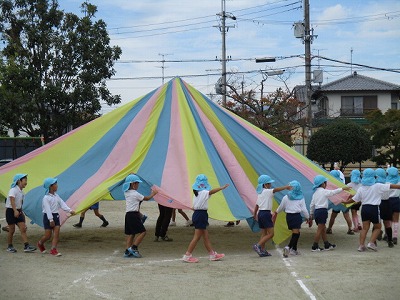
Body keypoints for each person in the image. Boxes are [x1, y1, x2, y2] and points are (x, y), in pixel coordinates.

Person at [342, 168, 400, 252]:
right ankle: (371, 242)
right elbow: (393, 186)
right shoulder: (377, 186)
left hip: (364, 208)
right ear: (374, 177)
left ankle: (361, 245)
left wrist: (346, 202)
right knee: (378, 227)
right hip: (374, 208)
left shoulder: (361, 188)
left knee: (365, 228)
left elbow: (355, 199)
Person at [182, 174, 228, 263]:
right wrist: (221, 188)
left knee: (206, 236)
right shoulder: (203, 193)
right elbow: (211, 192)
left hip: (199, 214)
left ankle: (212, 254)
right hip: (201, 215)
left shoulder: (196, 194)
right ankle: (187, 255)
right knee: (196, 237)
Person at [252, 175, 292, 257]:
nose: (271, 185)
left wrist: (254, 214)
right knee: (271, 234)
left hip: (260, 213)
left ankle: (262, 250)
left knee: (264, 233)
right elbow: (276, 190)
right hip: (266, 214)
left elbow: (257, 205)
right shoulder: (267, 191)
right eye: (269, 183)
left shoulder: (260, 193)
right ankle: (258, 245)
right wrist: (286, 187)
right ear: (265, 184)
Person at [309, 174, 351, 251]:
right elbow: (333, 192)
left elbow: (312, 205)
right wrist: (342, 188)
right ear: (322, 184)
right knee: (320, 229)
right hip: (322, 211)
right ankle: (315, 246)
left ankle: (326, 244)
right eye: (325, 182)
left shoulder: (315, 193)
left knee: (323, 229)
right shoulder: (324, 192)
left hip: (317, 211)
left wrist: (311, 214)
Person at [37, 178, 75, 256]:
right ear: (51, 186)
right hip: (48, 217)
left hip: (56, 216)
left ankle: (53, 249)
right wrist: (51, 220)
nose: (57, 186)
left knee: (56, 234)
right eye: (55, 184)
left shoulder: (56, 196)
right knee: (48, 235)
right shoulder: (46, 198)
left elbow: (62, 204)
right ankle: (40, 243)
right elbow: (47, 210)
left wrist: (70, 210)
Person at [123, 174, 157, 258]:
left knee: (131, 233)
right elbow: (147, 198)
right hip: (134, 215)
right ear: (133, 184)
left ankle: (127, 251)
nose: (138, 185)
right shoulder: (135, 193)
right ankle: (134, 247)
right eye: (137, 183)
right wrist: (153, 193)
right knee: (143, 232)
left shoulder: (126, 192)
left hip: (128, 215)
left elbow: (138, 201)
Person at [273, 180, 310, 257]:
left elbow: (281, 207)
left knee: (296, 232)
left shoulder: (286, 197)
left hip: (289, 217)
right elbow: (304, 209)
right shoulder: (301, 198)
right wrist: (308, 217)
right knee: (296, 233)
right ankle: (289, 247)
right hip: (296, 216)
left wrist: (276, 212)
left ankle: (294, 249)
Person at [5, 174, 36, 253]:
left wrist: (21, 212)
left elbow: (21, 203)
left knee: (23, 228)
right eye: (25, 180)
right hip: (10, 211)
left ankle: (26, 246)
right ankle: (9, 246)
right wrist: (15, 210)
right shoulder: (13, 190)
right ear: (19, 181)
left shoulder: (22, 192)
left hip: (18, 210)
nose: (26, 182)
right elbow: (12, 200)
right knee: (12, 230)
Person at [326, 170, 354, 235]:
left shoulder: (330, 183)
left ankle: (329, 228)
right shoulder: (341, 182)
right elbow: (346, 191)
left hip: (336, 202)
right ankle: (350, 229)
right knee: (347, 215)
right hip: (344, 201)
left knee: (333, 216)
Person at [375, 168, 393, 247]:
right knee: (387, 223)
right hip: (386, 203)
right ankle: (390, 240)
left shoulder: (374, 185)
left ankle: (374, 240)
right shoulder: (388, 183)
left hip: (376, 203)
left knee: (376, 223)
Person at [387, 167, 400, 245]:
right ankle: (395, 236)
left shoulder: (386, 182)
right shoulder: (399, 181)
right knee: (396, 219)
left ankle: (388, 234)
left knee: (388, 219)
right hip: (396, 200)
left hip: (388, 201)